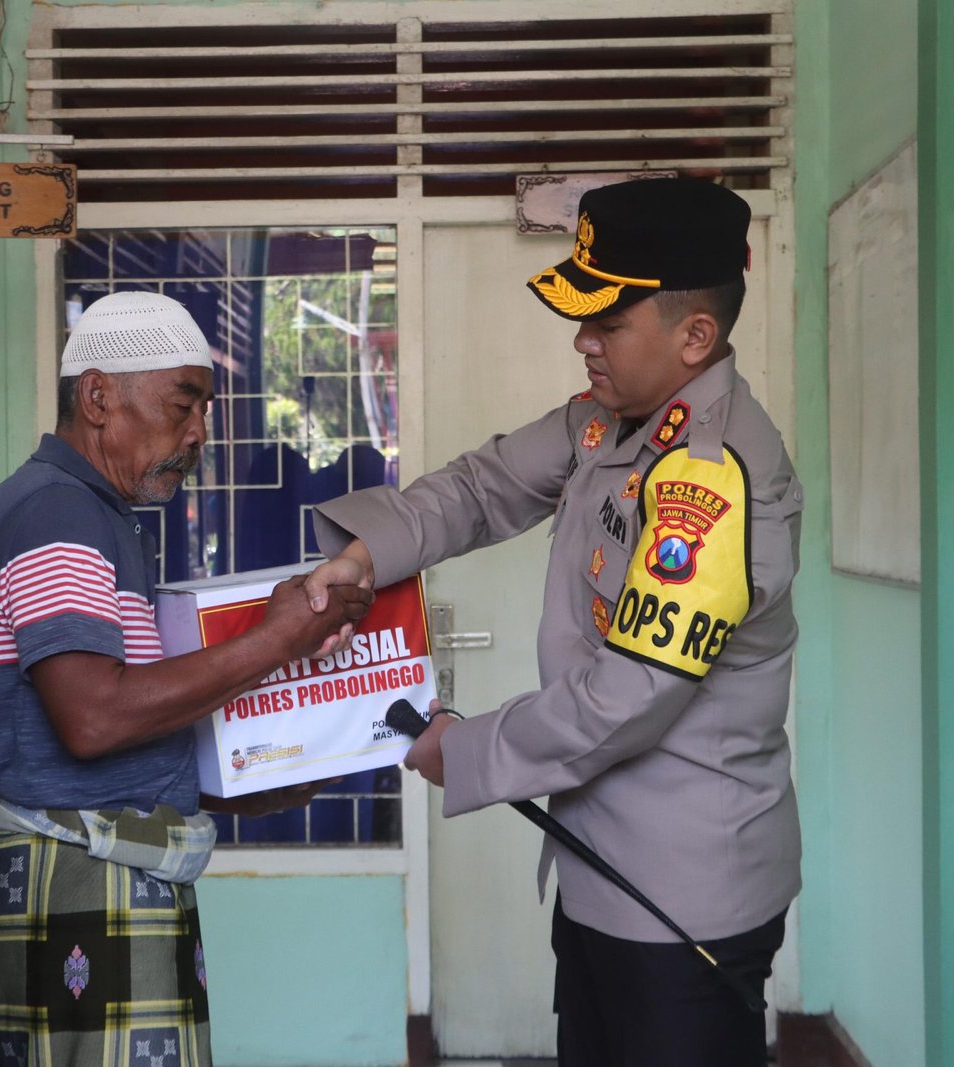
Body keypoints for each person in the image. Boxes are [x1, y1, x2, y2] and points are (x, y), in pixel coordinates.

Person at [305, 178, 803, 1066]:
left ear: (694, 336)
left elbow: (628, 695)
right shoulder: (614, 424)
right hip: (601, 870)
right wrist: (363, 556)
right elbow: (483, 487)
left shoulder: (711, 477)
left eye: (607, 323)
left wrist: (466, 749)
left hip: (682, 899)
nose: (583, 341)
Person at [0, 290, 371, 1067]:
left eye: (204, 409)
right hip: (82, 876)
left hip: (104, 864)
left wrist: (258, 777)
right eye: (183, 405)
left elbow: (114, 729)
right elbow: (93, 718)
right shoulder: (55, 515)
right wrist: (277, 639)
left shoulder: (90, 512)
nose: (199, 432)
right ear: (98, 397)